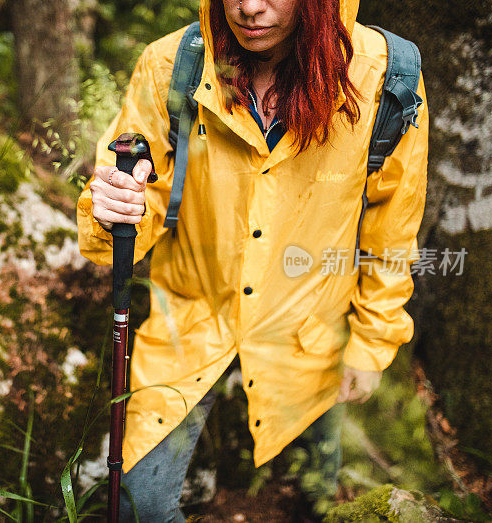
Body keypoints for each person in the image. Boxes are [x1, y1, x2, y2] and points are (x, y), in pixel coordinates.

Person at [76, 0, 428, 520]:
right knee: (138, 506)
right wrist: (112, 209)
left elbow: (391, 228)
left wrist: (372, 342)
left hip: (311, 327)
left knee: (314, 495)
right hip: (194, 320)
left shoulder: (385, 77)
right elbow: (133, 196)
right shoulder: (174, 64)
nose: (248, 7)